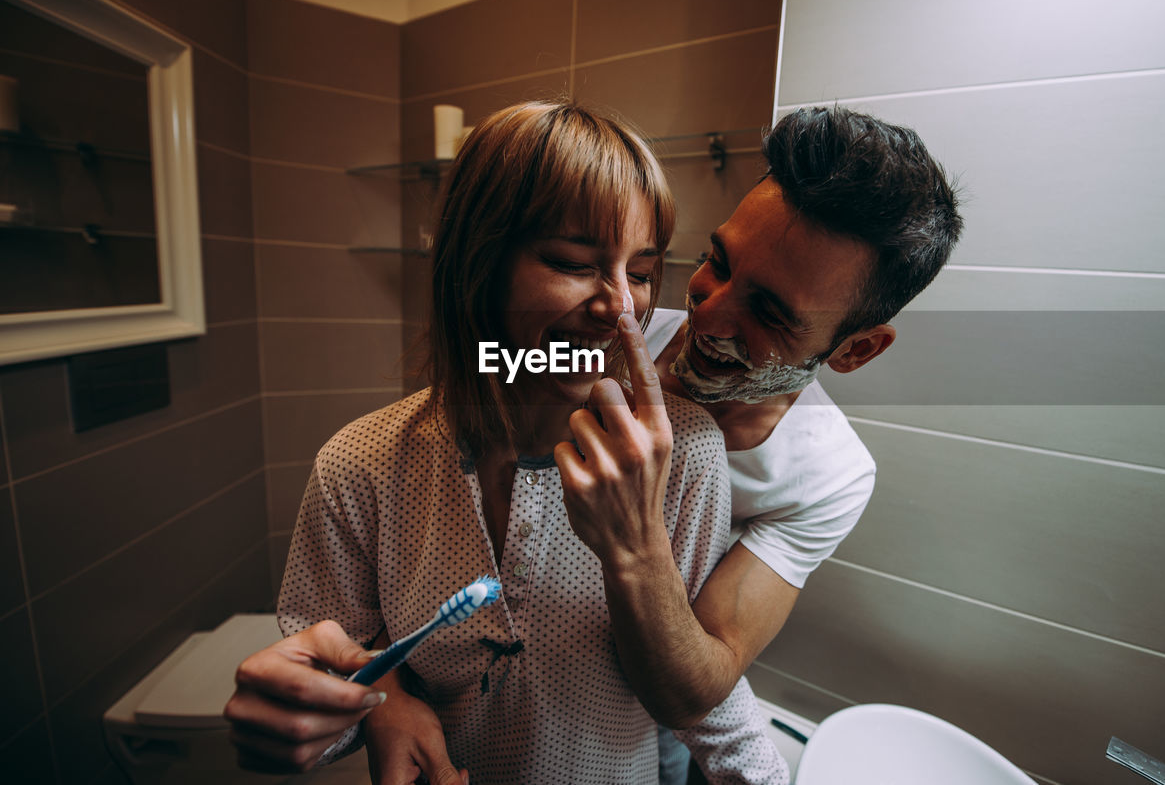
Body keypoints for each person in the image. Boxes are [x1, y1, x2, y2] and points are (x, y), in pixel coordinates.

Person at [223, 101, 789, 785]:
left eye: (640, 272)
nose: (620, 305)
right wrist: (364, 705)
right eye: (574, 262)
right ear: (476, 265)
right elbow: (337, 668)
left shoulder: (685, 453)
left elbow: (703, 694)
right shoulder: (360, 463)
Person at [556, 106, 962, 781]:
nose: (707, 313)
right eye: (718, 260)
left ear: (855, 349)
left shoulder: (827, 476)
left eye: (769, 311)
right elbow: (477, 382)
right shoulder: (613, 326)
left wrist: (633, 543)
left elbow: (697, 680)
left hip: (639, 734)